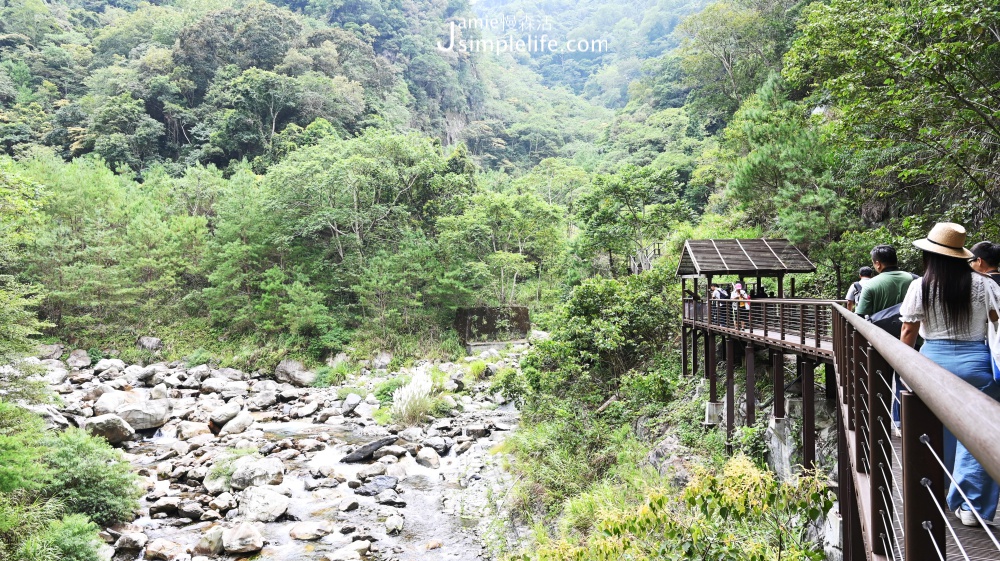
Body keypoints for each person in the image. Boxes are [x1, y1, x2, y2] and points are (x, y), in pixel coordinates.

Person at [899, 222, 1000, 527]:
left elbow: (908, 329)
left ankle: (937, 487)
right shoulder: (985, 285)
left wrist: (903, 368)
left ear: (930, 255)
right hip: (977, 363)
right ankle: (971, 506)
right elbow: (996, 323)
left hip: (932, 364)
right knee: (978, 432)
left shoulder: (920, 286)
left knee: (935, 428)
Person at [856, 244, 917, 430]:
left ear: (878, 264)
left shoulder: (871, 285)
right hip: (913, 340)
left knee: (880, 381)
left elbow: (860, 316)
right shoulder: (915, 280)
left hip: (880, 342)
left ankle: (879, 424)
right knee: (905, 380)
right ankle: (902, 421)